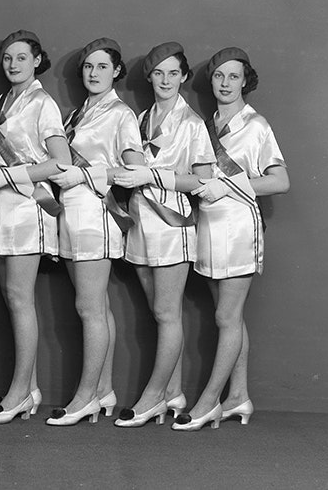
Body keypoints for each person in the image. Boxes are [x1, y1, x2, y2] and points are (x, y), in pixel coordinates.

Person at [173, 47, 289, 431]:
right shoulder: (205, 124)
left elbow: (279, 180)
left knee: (226, 316)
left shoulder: (256, 125)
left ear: (245, 81)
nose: (225, 83)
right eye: (219, 76)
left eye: (233, 77)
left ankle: (209, 402)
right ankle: (238, 396)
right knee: (229, 318)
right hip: (206, 226)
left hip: (239, 227)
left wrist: (231, 185)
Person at [113, 42, 215, 427]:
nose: (166, 80)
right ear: (149, 77)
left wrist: (154, 175)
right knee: (157, 312)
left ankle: (153, 396)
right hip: (141, 224)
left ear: (184, 77)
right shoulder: (140, 119)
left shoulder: (191, 123)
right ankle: (174, 393)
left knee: (166, 313)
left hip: (173, 225)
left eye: (174, 73)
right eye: (158, 73)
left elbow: (204, 179)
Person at [0, 30, 71, 424]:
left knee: (20, 299)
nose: (13, 64)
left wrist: (7, 177)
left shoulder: (43, 103)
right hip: (3, 206)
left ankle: (19, 394)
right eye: (7, 58)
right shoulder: (1, 102)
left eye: (21, 57)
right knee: (11, 299)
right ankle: (27, 389)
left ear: (37, 61)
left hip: (29, 206)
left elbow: (60, 162)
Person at [46, 38, 142, 426]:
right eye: (88, 66)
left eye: (102, 66)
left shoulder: (121, 114)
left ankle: (84, 397)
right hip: (71, 216)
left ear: (116, 71)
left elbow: (134, 171)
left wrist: (88, 172)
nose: (93, 73)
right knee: (96, 307)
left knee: (88, 309)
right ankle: (103, 391)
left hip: (96, 217)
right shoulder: (80, 112)